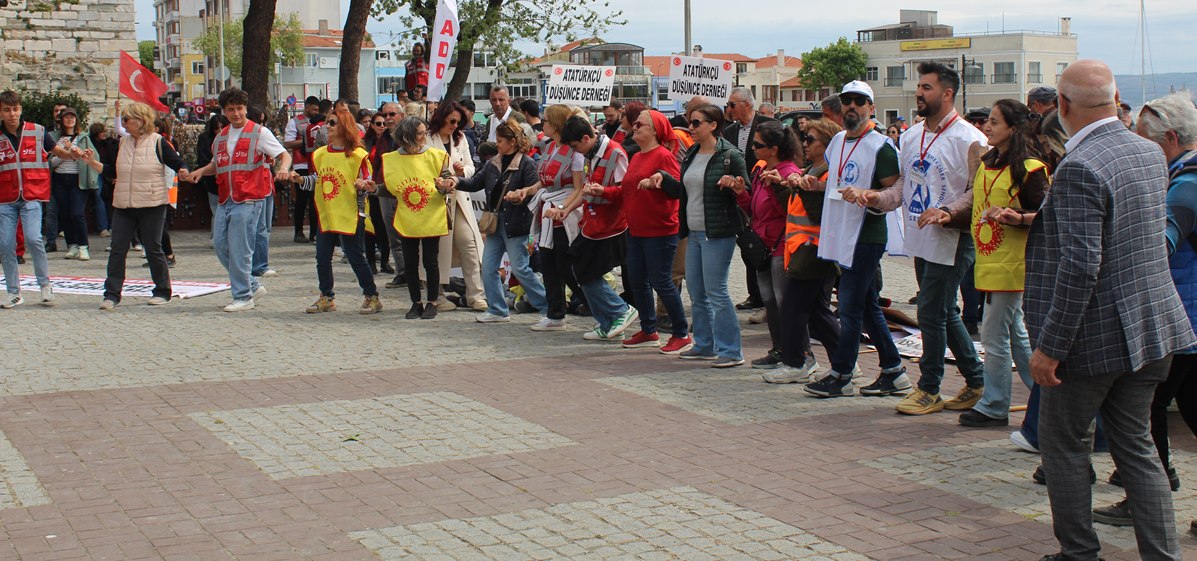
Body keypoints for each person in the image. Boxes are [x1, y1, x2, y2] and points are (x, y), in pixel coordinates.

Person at [1028, 60, 1196, 561]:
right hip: (1152, 328)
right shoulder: (1147, 151)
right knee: (1138, 448)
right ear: (1116, 97)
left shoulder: (1081, 165)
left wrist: (1049, 348)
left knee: (1064, 448)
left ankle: (1079, 554)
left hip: (1093, 339)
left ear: (1061, 106)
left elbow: (1081, 267)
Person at [1088, 91, 1197, 530]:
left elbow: (1160, 244)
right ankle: (1152, 480)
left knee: (1140, 408)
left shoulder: (1184, 185)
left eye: (1142, 137)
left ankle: (1146, 489)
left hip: (1181, 317)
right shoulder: (1182, 176)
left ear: (1169, 138)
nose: (1136, 144)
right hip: (1186, 314)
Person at [869, 62, 988, 414]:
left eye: (927, 87)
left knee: (931, 312)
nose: (919, 93)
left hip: (953, 238)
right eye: (919, 86)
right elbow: (904, 186)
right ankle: (977, 379)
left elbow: (975, 191)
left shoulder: (970, 139)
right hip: (921, 238)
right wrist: (876, 198)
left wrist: (948, 212)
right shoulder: (909, 136)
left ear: (947, 93)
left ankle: (929, 387)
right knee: (945, 311)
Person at [799, 81, 907, 397]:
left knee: (849, 306)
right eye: (847, 101)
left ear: (871, 108)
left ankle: (843, 373)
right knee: (866, 305)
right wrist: (815, 186)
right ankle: (894, 370)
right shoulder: (837, 143)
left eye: (860, 101)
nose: (852, 106)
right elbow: (839, 183)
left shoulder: (881, 147)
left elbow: (894, 193)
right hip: (841, 232)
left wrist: (869, 195)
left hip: (866, 234)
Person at [957, 99, 1050, 428]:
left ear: (1013, 128)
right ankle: (1047, 397)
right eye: (987, 121)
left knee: (995, 335)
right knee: (1014, 335)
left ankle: (995, 404)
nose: (986, 127)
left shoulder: (1030, 169)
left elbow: (1049, 217)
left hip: (1013, 265)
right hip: (988, 261)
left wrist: (1018, 217)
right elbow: (977, 200)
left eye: (994, 122)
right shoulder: (989, 161)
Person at [655, 104, 749, 368]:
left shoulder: (730, 155)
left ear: (713, 125)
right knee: (697, 292)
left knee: (716, 291)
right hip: (693, 231)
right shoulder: (693, 153)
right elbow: (684, 192)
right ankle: (705, 344)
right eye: (690, 123)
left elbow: (746, 191)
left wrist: (735, 185)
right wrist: (663, 178)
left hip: (717, 232)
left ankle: (731, 350)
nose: (691, 128)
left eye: (696, 123)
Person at [182, 87, 291, 312]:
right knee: (221, 246)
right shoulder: (220, 137)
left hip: (250, 198)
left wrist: (284, 169)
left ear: (245, 109)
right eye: (231, 110)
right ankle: (251, 284)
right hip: (226, 198)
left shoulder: (259, 132)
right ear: (223, 111)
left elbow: (284, 154)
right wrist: (201, 171)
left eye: (240, 109)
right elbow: (218, 165)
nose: (236, 113)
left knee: (240, 248)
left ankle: (243, 296)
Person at [80, 102, 184, 309]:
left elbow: (179, 163)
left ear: (141, 120)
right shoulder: (122, 143)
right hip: (124, 204)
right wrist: (91, 161)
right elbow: (113, 171)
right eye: (124, 119)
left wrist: (184, 171)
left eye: (128, 119)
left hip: (152, 203)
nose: (124, 123)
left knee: (153, 248)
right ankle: (111, 294)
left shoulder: (158, 142)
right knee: (117, 248)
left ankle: (162, 291)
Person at [763, 118, 842, 384]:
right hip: (801, 249)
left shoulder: (829, 174)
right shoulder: (812, 169)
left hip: (815, 249)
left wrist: (803, 186)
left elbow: (822, 213)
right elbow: (793, 205)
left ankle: (796, 361)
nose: (804, 143)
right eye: (805, 138)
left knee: (793, 308)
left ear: (828, 144)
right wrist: (780, 185)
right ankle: (846, 363)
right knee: (817, 313)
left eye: (811, 139)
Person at [614, 109, 692, 353]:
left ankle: (681, 334)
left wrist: (659, 179)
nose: (634, 127)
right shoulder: (636, 156)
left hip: (660, 230)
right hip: (636, 230)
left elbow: (679, 188)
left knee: (662, 281)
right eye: (634, 124)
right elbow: (627, 190)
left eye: (640, 124)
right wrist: (602, 192)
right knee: (637, 281)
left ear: (655, 131)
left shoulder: (663, 156)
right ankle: (649, 330)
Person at [289, 108, 381, 315]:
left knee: (355, 256)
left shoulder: (359, 155)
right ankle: (327, 297)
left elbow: (369, 180)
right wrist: (301, 180)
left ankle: (372, 296)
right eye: (327, 123)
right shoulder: (320, 154)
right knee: (322, 257)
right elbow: (319, 180)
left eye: (332, 123)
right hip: (327, 213)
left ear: (345, 126)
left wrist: (363, 183)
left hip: (350, 213)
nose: (326, 127)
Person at [504, 104, 587, 331]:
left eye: (547, 120)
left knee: (566, 267)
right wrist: (527, 191)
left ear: (558, 125)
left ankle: (597, 306)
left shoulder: (575, 152)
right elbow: (545, 181)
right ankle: (555, 314)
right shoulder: (550, 147)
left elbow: (580, 188)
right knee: (550, 266)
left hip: (564, 216)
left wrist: (563, 208)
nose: (543, 123)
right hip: (549, 212)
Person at [455, 120, 547, 322]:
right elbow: (474, 183)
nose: (496, 144)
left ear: (512, 142)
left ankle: (549, 308)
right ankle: (497, 309)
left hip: (516, 224)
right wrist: (455, 181)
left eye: (500, 140)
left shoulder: (526, 164)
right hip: (495, 223)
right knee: (488, 267)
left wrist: (521, 195)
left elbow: (535, 191)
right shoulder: (493, 163)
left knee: (521, 268)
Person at [558, 114, 637, 341]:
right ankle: (606, 320)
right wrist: (567, 209)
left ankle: (620, 310)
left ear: (585, 137)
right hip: (593, 224)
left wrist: (603, 192)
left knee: (586, 271)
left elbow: (625, 192)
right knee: (578, 270)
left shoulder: (615, 153)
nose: (576, 152)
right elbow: (585, 188)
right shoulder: (591, 154)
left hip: (611, 226)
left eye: (575, 147)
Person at [0, 90, 76, 308]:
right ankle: (14, 292)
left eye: (15, 109)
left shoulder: (38, 131)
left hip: (32, 194)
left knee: (34, 239)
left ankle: (45, 285)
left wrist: (73, 154)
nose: (12, 114)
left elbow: (57, 151)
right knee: (5, 244)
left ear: (21, 109)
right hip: (5, 197)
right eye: (7, 110)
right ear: (1, 112)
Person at [734, 121, 800, 370]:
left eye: (758, 145)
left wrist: (776, 187)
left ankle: (796, 353)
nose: (753, 149)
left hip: (781, 246)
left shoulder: (788, 171)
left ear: (773, 149)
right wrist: (741, 193)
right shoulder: (763, 170)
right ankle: (779, 349)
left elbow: (789, 209)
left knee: (784, 303)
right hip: (764, 246)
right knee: (770, 302)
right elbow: (754, 209)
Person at [380, 116, 453, 319]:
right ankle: (415, 302)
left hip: (431, 215)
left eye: (424, 132)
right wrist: (373, 190)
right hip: (407, 217)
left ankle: (432, 301)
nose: (424, 137)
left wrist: (444, 185)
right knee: (410, 262)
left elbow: (446, 180)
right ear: (409, 136)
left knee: (431, 261)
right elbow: (390, 188)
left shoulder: (436, 156)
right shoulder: (392, 159)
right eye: (420, 133)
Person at [424, 100, 484, 311]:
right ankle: (437, 294)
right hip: (435, 199)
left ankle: (475, 294)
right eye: (452, 121)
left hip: (458, 197)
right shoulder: (427, 139)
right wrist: (440, 179)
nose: (454, 126)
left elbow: (470, 167)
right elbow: (422, 167)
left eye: (458, 123)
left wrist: (461, 173)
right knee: (438, 248)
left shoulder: (460, 139)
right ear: (441, 117)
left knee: (469, 242)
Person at [723, 86, 777, 313]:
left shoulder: (768, 125)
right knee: (748, 244)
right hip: (740, 194)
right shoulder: (729, 131)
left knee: (765, 245)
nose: (729, 109)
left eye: (732, 104)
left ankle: (770, 297)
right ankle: (754, 294)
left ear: (747, 105)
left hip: (763, 190)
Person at [48, 107, 97, 261]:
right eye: (66, 117)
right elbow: (51, 161)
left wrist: (74, 151)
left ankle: (83, 246)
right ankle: (72, 245)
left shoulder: (83, 138)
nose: (69, 120)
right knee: (65, 213)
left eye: (72, 117)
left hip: (78, 180)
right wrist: (66, 153)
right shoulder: (54, 137)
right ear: (61, 120)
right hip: (60, 179)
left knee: (77, 213)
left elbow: (89, 158)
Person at [285, 96, 321, 243]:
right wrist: (306, 141)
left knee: (315, 201)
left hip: (316, 166)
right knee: (301, 200)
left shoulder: (321, 122)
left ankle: (314, 232)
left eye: (317, 110)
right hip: (301, 165)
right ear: (306, 107)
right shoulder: (295, 122)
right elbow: (288, 143)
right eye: (313, 109)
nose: (315, 112)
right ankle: (298, 231)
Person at [363, 110, 394, 275]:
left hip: (385, 185)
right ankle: (370, 261)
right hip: (370, 186)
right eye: (378, 124)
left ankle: (385, 261)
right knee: (371, 225)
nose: (382, 126)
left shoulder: (390, 141)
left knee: (384, 227)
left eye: (384, 124)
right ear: (372, 126)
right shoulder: (367, 142)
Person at [197, 114, 228, 243]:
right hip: (212, 180)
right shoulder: (205, 139)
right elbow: (203, 159)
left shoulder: (231, 138)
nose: (220, 131)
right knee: (216, 210)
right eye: (217, 129)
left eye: (222, 128)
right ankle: (215, 237)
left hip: (229, 179)